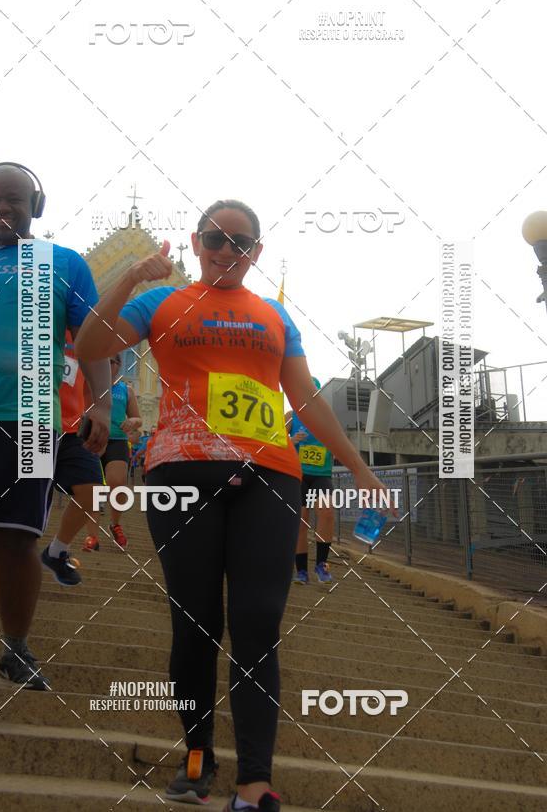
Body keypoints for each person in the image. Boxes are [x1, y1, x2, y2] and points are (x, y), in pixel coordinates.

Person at [75, 199, 392, 812]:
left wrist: (357, 466)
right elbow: (90, 342)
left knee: (257, 624)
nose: (227, 251)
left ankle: (254, 782)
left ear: (256, 251)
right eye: (216, 239)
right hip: (181, 472)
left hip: (271, 475)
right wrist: (131, 278)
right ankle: (197, 757)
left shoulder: (274, 316)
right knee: (195, 623)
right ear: (196, 242)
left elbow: (303, 397)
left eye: (240, 243)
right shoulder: (159, 302)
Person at [0, 163, 109, 690]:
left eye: (15, 199)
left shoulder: (63, 262)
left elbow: (91, 338)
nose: (3, 209)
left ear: (36, 206)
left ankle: (15, 649)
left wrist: (101, 405)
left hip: (35, 422)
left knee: (16, 538)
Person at [41, 330, 109, 581]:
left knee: (92, 491)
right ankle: (13, 564)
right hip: (35, 424)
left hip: (72, 427)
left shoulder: (85, 328)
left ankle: (57, 551)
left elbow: (92, 382)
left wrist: (95, 415)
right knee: (30, 501)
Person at [287, 377, 335, 584]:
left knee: (326, 513)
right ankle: (301, 572)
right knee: (301, 522)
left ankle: (321, 566)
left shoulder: (326, 417)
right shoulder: (291, 417)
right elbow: (270, 442)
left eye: (313, 393)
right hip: (298, 475)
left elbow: (338, 440)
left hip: (322, 475)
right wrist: (291, 441)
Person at [99, 354, 142, 548]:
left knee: (118, 485)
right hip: (91, 438)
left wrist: (132, 422)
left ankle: (115, 524)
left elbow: (137, 419)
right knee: (87, 486)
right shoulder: (89, 384)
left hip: (117, 439)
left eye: (111, 362)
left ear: (118, 365)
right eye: (104, 362)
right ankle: (91, 534)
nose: (107, 366)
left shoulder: (126, 390)